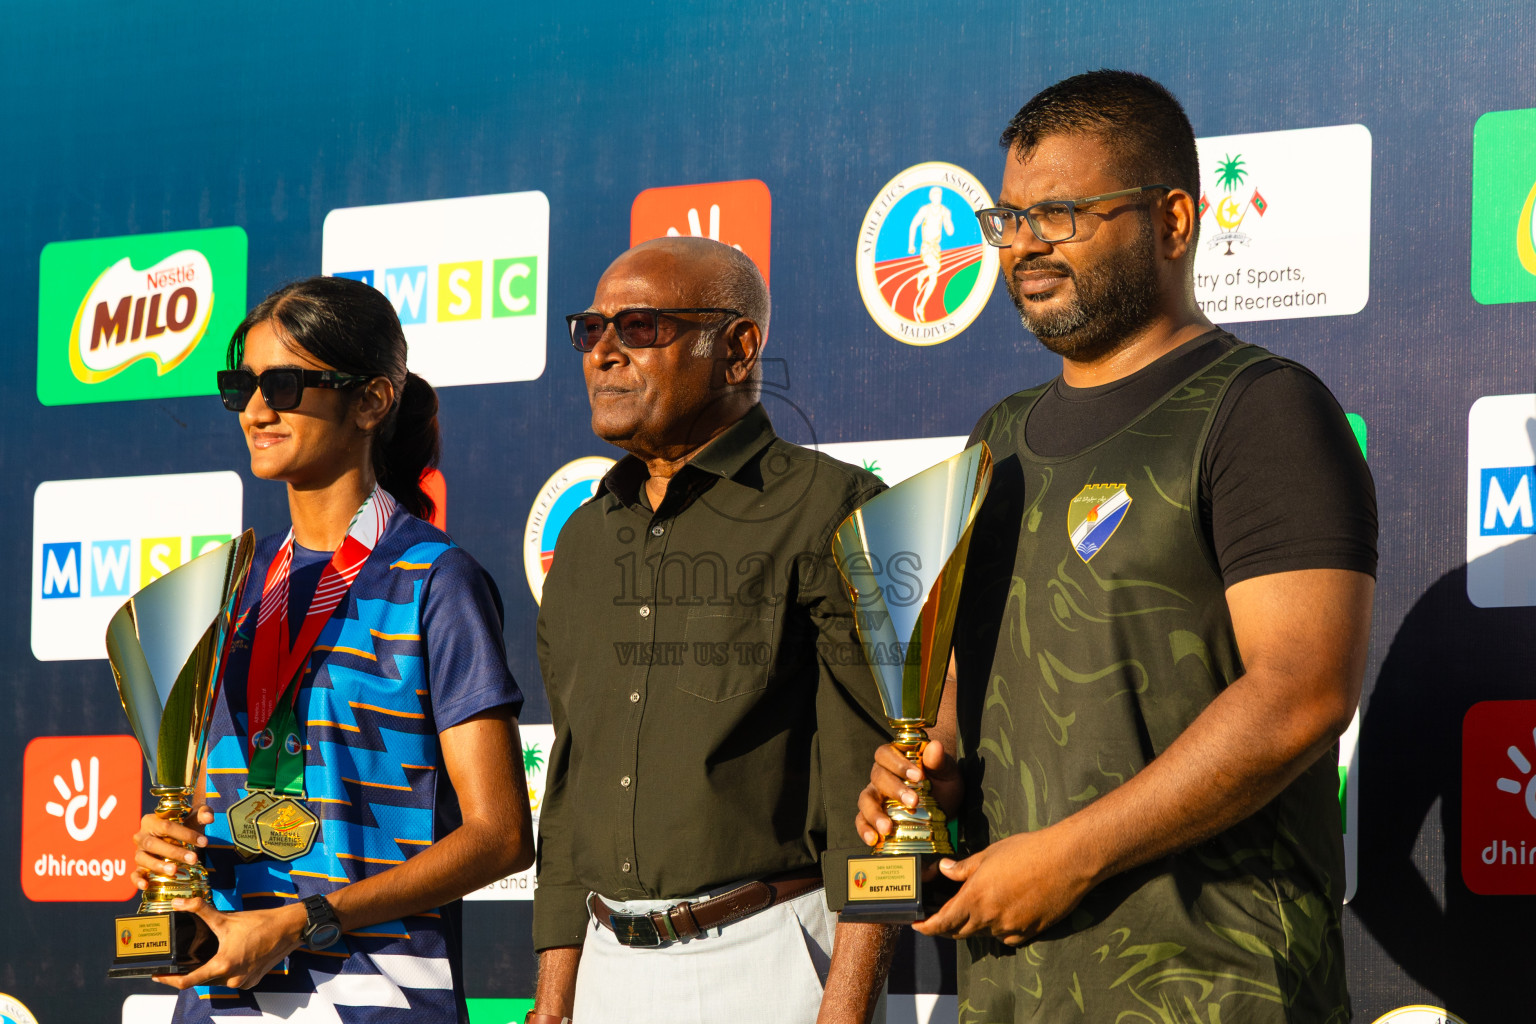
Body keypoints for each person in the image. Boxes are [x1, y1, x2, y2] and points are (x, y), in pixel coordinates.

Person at [856, 70, 1377, 1022]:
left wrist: (1068, 855)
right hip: (1016, 988)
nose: (1023, 248)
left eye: (1060, 215)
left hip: (1220, 989)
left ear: (1173, 221)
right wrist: (921, 774)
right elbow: (972, 705)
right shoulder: (997, 438)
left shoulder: (1260, 411)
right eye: (1006, 218)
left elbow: (1303, 692)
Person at [131, 276, 534, 1022]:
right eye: (241, 385)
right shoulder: (223, 592)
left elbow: (501, 836)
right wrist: (163, 843)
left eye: (284, 383)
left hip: (379, 1003)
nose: (256, 409)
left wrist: (303, 920)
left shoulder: (436, 582)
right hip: (219, 1003)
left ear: (372, 401)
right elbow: (198, 804)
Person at [529, 237, 897, 1024]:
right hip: (601, 970)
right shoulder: (585, 541)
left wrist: (847, 1009)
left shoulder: (835, 510)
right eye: (590, 331)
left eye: (641, 328)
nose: (605, 354)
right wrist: (553, 1001)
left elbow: (880, 788)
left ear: (736, 349)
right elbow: (566, 798)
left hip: (769, 960)